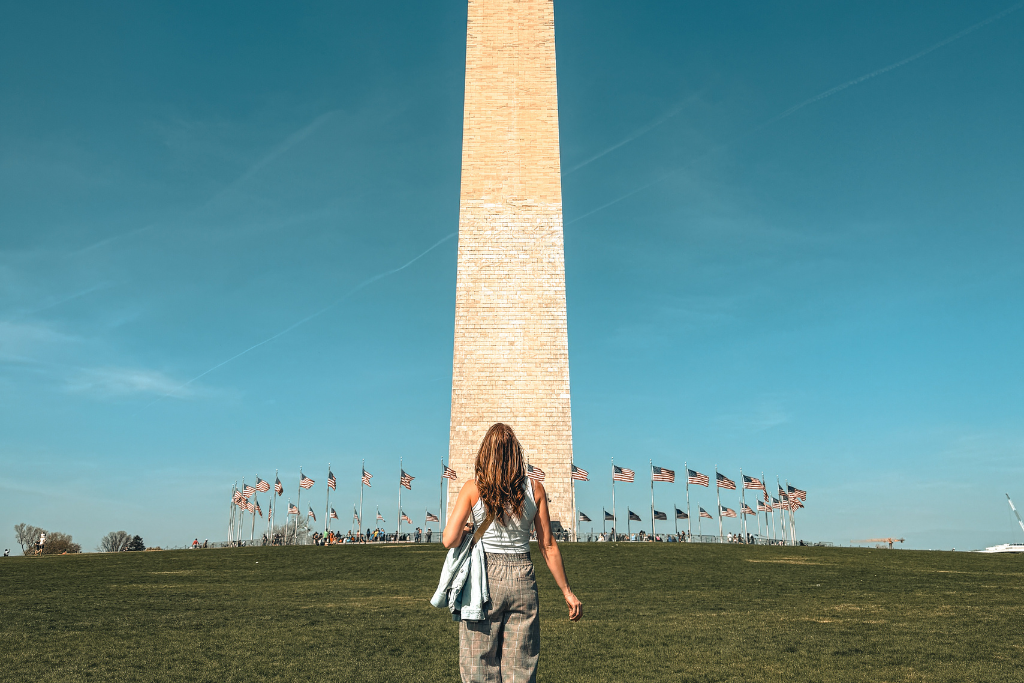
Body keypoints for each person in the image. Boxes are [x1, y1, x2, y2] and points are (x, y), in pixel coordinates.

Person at [443, 423, 582, 682]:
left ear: (485, 453)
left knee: (478, 665)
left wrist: (468, 529)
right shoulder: (535, 489)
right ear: (516, 454)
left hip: (482, 578)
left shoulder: (473, 488)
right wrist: (568, 592)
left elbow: (449, 539)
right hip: (523, 578)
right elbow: (547, 544)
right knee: (521, 669)